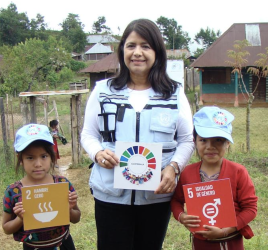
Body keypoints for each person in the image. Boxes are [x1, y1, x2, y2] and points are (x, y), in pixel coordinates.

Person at [81, 18, 194, 250]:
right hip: (110, 193)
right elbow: (88, 134)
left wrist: (174, 167)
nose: (137, 53)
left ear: (157, 52)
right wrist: (97, 153)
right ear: (122, 49)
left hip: (155, 196)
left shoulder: (173, 94)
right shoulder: (103, 91)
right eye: (131, 45)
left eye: (145, 46)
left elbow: (186, 139)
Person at [171, 106, 258, 250]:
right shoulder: (187, 173)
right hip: (200, 243)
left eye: (218, 140)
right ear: (195, 141)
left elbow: (250, 208)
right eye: (203, 140)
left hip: (231, 242)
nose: (210, 146)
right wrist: (181, 216)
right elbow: (176, 200)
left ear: (228, 143)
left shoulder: (238, 172)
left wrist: (226, 230)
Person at [2, 123, 81, 250]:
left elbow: (76, 218)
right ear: (20, 159)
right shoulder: (13, 192)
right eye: (30, 158)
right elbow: (6, 228)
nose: (38, 164)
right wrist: (20, 218)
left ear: (51, 156)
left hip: (64, 244)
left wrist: (70, 209)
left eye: (44, 156)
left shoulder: (62, 184)